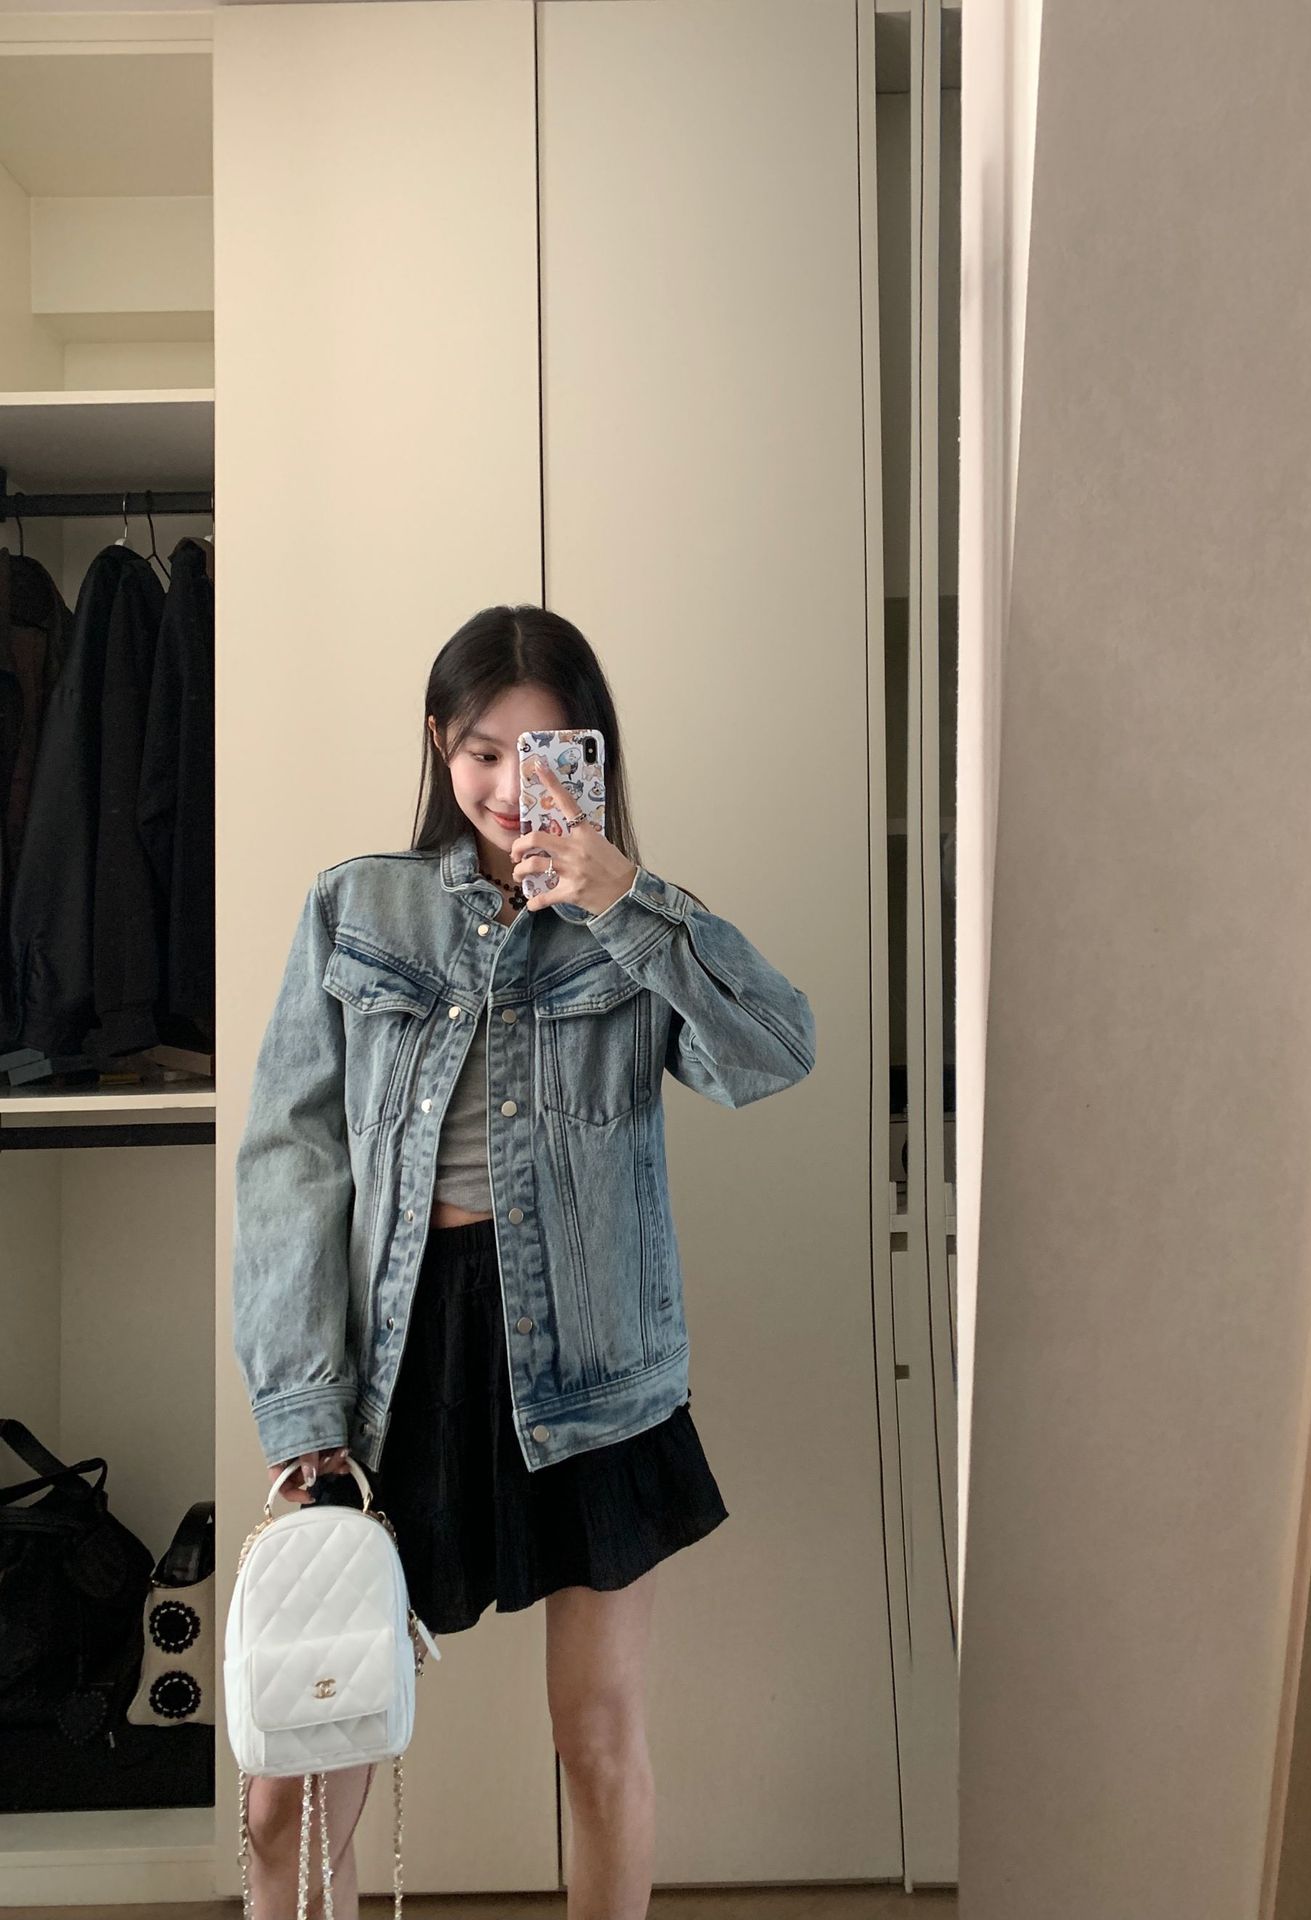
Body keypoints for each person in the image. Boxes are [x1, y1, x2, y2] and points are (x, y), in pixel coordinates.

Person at [231, 604, 815, 1919]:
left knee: (596, 1741)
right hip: (390, 1366)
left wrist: (624, 900)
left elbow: (774, 1051)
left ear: (592, 756)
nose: (510, 787)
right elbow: (289, 1158)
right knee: (291, 1782)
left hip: (591, 1367)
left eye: (546, 752)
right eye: (484, 752)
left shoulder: (632, 924)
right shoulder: (357, 906)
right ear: (440, 743)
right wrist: (302, 1397)